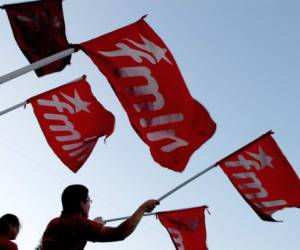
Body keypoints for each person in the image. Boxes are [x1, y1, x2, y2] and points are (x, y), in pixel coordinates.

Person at [40, 184, 159, 250]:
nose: (89, 205)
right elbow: (120, 233)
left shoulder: (54, 223)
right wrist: (142, 208)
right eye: (89, 201)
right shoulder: (78, 224)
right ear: (82, 203)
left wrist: (94, 225)